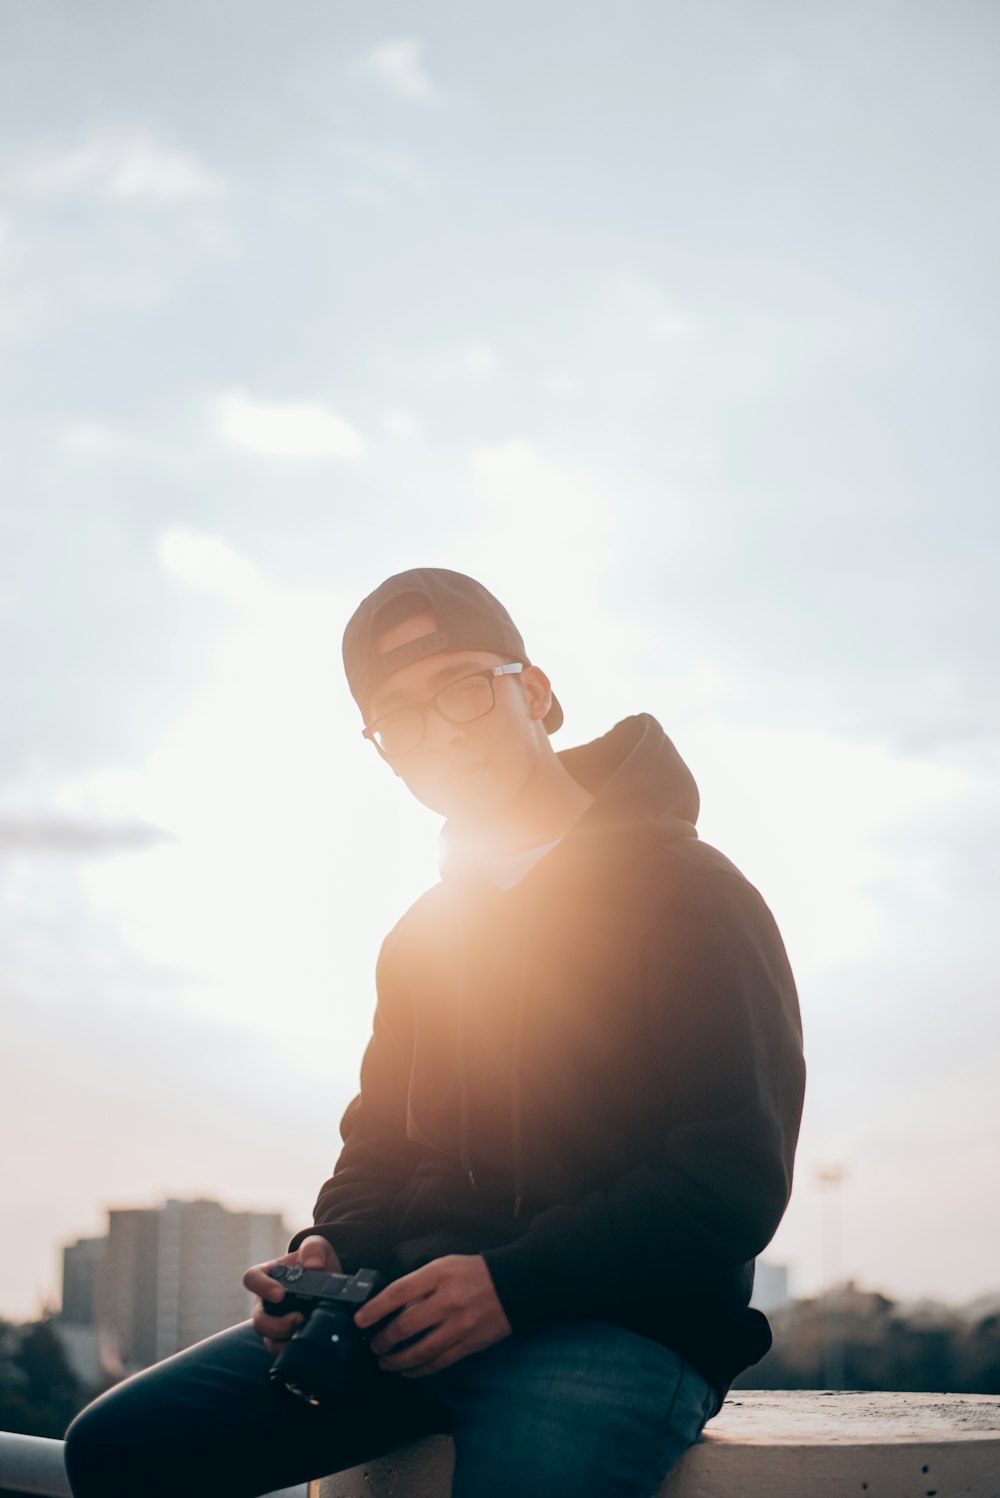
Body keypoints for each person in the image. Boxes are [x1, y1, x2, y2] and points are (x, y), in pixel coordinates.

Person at [65, 567, 805, 1498]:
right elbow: (379, 1142)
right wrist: (331, 1247)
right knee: (119, 1450)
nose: (439, 734)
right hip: (404, 1320)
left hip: (621, 1328)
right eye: (400, 719)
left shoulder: (696, 895)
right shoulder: (425, 933)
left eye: (461, 688)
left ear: (534, 693)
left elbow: (730, 1181)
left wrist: (513, 1285)